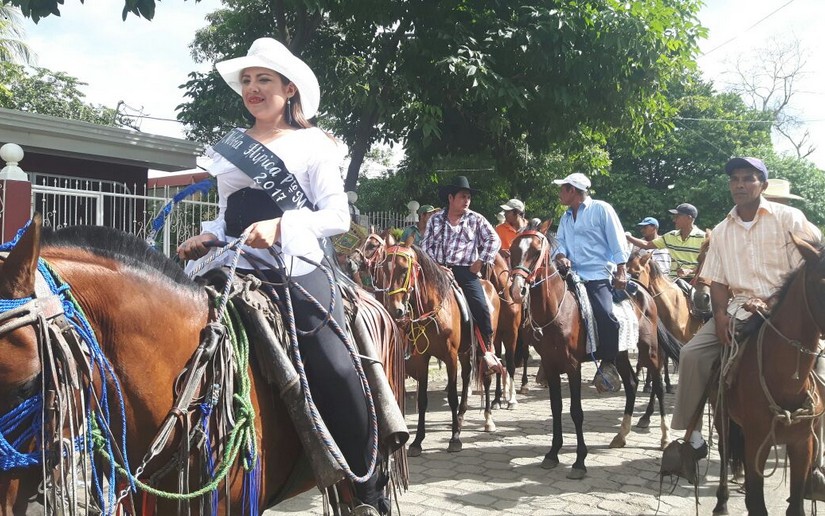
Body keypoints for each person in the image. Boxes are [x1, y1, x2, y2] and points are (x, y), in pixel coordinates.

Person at [176, 37, 388, 514]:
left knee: (335, 365)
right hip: (232, 263)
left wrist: (281, 225)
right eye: (247, 81)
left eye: (264, 80)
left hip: (293, 264)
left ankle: (367, 488)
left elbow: (336, 216)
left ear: (289, 89)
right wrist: (208, 235)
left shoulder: (313, 143)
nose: (252, 88)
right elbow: (229, 212)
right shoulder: (230, 145)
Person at [667, 157, 821, 472]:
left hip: (790, 311)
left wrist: (774, 300)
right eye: (735, 179)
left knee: (819, 365)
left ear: (763, 185)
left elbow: (813, 264)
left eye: (748, 178)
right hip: (738, 309)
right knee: (691, 355)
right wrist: (720, 315)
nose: (740, 184)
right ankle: (692, 437)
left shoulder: (790, 218)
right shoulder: (722, 230)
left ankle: (816, 461)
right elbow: (717, 281)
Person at [551, 172, 628, 387]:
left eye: (562, 189)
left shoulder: (602, 209)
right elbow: (559, 242)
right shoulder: (565, 217)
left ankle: (609, 362)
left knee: (605, 313)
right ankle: (550, 357)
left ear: (572, 190)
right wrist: (560, 255)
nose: (560, 194)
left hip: (597, 273)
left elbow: (617, 239)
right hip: (570, 274)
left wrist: (621, 269)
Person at [421, 176, 501, 354]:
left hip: (466, 271)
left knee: (481, 305)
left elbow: (494, 239)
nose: (467, 201)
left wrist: (481, 260)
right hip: (438, 271)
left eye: (469, 197)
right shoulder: (435, 220)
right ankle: (410, 343)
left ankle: (487, 348)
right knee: (416, 297)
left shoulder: (476, 219)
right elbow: (426, 246)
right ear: (451, 198)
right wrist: (436, 267)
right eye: (463, 196)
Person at [626, 203, 705, 282]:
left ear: (689, 218)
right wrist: (627, 236)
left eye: (677, 216)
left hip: (695, 281)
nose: (674, 220)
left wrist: (690, 271)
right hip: (673, 281)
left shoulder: (704, 238)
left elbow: (706, 264)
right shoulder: (670, 236)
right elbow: (647, 245)